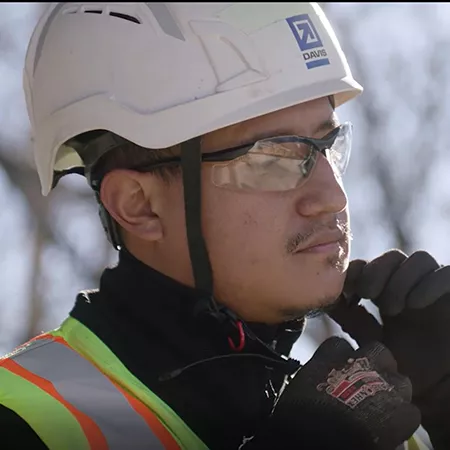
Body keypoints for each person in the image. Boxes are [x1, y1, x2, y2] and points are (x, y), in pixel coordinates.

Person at [1, 2, 450, 449]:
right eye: (274, 158)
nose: (332, 197)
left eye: (328, 145)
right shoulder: (25, 420)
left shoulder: (370, 416)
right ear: (140, 206)